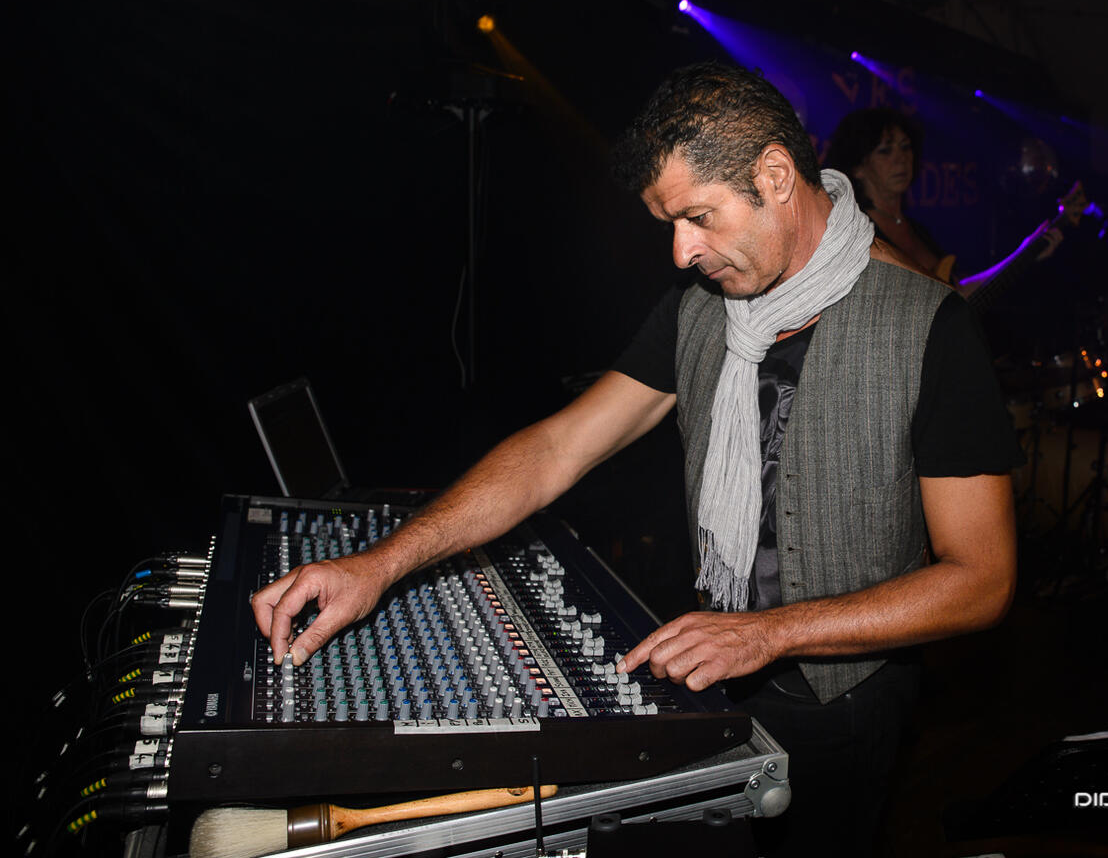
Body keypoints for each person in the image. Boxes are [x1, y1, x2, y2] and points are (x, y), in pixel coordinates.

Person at [251, 62, 1021, 854]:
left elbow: (982, 579)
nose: (682, 252)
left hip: (841, 704)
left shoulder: (927, 327)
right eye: (669, 223)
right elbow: (555, 449)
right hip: (714, 671)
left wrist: (770, 633)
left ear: (775, 176)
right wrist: (380, 564)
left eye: (698, 216)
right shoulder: (700, 309)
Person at [824, 107, 1066, 303]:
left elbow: (957, 296)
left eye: (906, 147)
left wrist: (1023, 254)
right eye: (885, 151)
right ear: (858, 167)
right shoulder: (855, 231)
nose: (901, 159)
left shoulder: (918, 229)